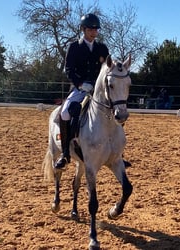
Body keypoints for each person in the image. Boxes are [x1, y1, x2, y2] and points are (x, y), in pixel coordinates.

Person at [54, 13, 131, 169]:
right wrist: (80, 84)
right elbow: (69, 69)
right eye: (90, 29)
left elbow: (108, 69)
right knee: (65, 113)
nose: (93, 32)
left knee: (117, 111)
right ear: (83, 29)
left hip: (99, 89)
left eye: (96, 29)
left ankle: (118, 154)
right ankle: (66, 155)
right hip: (80, 88)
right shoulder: (75, 47)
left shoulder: (102, 48)